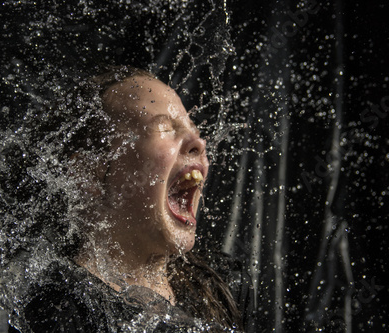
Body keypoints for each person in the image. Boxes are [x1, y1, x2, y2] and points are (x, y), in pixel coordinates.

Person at [15, 66, 245, 332]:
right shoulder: (59, 312)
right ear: (88, 174)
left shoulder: (223, 283)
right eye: (164, 128)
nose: (198, 142)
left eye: (193, 129)